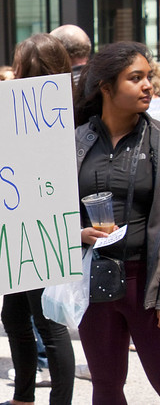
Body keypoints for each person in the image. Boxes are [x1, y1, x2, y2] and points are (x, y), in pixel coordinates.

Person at [74, 41, 160, 404]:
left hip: (149, 286)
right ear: (106, 88)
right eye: (136, 78)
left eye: (149, 77)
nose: (148, 86)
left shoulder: (158, 140)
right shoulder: (74, 141)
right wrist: (75, 233)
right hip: (95, 283)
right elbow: (44, 208)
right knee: (106, 386)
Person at [0, 33, 76, 405]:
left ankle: (51, 399)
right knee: (15, 314)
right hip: (20, 221)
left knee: (47, 322)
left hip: (42, 223)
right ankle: (24, 397)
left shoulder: (65, 109)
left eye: (21, 67)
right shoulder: (14, 105)